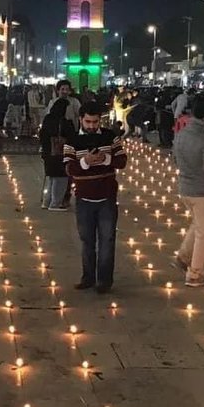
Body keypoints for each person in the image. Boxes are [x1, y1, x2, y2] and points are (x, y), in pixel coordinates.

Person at [63, 102, 127, 294]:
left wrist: (106, 159)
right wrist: (85, 162)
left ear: (101, 120)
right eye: (88, 122)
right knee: (87, 241)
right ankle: (88, 277)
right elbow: (68, 168)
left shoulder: (110, 137)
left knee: (107, 240)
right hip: (84, 199)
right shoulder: (72, 141)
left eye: (95, 122)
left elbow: (122, 161)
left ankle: (104, 281)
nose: (92, 126)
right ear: (81, 119)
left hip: (106, 197)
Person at [172, 95, 204, 287]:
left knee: (198, 225)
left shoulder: (183, 133)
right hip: (202, 190)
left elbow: (175, 158)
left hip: (185, 187)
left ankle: (183, 257)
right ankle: (195, 273)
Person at [39, 98, 75, 211]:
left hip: (48, 153)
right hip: (59, 154)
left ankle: (47, 201)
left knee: (52, 179)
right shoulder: (64, 122)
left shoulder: (47, 119)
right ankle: (56, 203)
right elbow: (71, 137)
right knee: (61, 178)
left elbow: (42, 135)